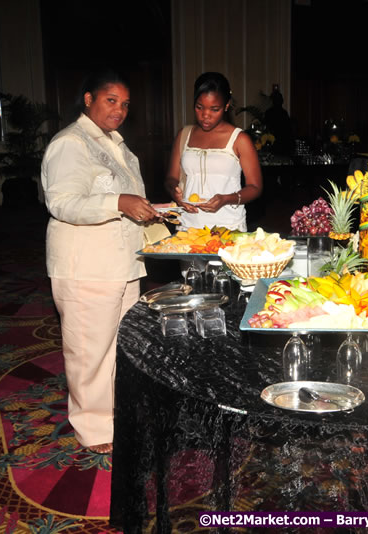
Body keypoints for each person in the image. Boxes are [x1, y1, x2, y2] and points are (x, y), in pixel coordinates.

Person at [41, 68, 161, 455]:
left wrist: (158, 216)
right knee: (89, 350)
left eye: (125, 104)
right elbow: (63, 203)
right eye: (111, 100)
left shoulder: (116, 146)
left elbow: (128, 202)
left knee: (118, 346)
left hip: (122, 263)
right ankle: (92, 428)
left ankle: (115, 413)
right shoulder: (70, 143)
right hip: (86, 265)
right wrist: (119, 202)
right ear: (89, 99)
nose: (119, 110)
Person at [165, 72, 263, 231]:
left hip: (227, 226)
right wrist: (174, 192)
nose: (205, 116)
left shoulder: (240, 139)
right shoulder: (184, 135)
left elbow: (255, 187)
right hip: (188, 225)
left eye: (214, 109)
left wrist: (226, 199)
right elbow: (171, 178)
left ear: (226, 106)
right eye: (199, 107)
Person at [263, 86, 293, 155]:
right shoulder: (269, 113)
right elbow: (266, 128)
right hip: (273, 143)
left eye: (280, 99)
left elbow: (288, 129)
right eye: (278, 99)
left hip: (283, 143)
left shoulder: (283, 113)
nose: (280, 101)